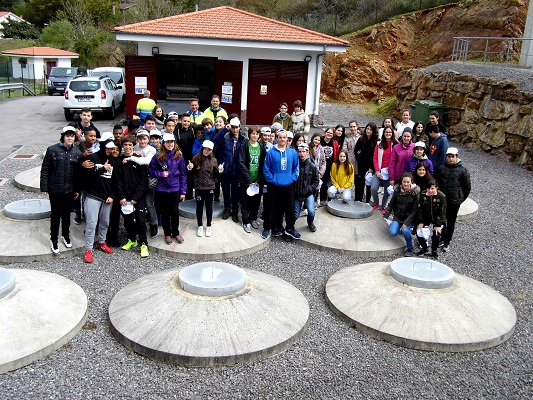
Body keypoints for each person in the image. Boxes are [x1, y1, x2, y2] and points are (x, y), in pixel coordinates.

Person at [40, 126, 82, 255]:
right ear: (63, 136)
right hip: (55, 189)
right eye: (67, 135)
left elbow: (78, 174)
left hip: (69, 190)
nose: (70, 138)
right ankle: (54, 239)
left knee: (66, 214)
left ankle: (65, 235)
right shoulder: (52, 150)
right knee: (55, 215)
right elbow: (45, 169)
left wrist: (77, 189)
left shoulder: (77, 152)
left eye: (72, 136)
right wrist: (44, 187)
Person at [82, 133, 117, 263]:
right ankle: (89, 249)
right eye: (107, 148)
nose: (110, 150)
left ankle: (102, 242)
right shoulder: (92, 158)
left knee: (105, 222)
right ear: (102, 145)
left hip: (107, 198)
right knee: (91, 223)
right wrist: (103, 169)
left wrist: (112, 196)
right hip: (93, 196)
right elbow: (86, 175)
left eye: (111, 148)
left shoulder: (113, 161)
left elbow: (116, 182)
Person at [148, 133, 187, 244]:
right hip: (162, 189)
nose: (170, 144)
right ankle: (167, 233)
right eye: (168, 142)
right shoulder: (157, 157)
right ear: (163, 143)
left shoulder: (179, 156)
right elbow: (150, 171)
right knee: (165, 212)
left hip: (175, 188)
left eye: (172, 142)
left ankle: (176, 232)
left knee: (174, 211)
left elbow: (183, 174)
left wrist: (183, 190)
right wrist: (160, 174)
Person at [116, 136, 149, 258]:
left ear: (133, 146)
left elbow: (143, 180)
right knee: (127, 221)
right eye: (125, 145)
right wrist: (121, 196)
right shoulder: (119, 161)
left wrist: (136, 197)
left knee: (140, 221)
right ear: (122, 146)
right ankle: (132, 239)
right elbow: (117, 180)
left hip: (137, 198)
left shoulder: (139, 160)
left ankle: (143, 243)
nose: (128, 147)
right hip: (125, 198)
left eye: (130, 145)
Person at [263, 129, 300, 239]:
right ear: (277, 138)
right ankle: (274, 227)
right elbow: (266, 169)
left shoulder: (293, 153)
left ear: (287, 139)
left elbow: (296, 169)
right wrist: (273, 179)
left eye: (285, 137)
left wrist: (291, 178)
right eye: (280, 137)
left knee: (289, 208)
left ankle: (290, 228)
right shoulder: (271, 153)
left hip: (288, 185)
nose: (282, 139)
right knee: (273, 208)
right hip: (274, 185)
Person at [436, 147, 471, 253]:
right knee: (442, 220)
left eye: (452, 157)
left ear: (457, 157)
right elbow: (437, 182)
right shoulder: (441, 168)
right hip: (442, 200)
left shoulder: (463, 171)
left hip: (454, 201)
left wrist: (460, 199)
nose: (450, 159)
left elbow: (467, 187)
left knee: (451, 221)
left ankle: (447, 241)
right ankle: (441, 238)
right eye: (449, 157)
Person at [212, 117, 246, 221]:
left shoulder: (243, 139)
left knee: (235, 191)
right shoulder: (225, 136)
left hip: (236, 170)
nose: (234, 129)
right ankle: (227, 209)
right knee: (226, 190)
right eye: (232, 127)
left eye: (236, 127)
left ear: (239, 127)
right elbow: (215, 141)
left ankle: (235, 211)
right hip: (226, 169)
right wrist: (224, 129)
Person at [187, 140, 223, 237]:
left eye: (209, 150)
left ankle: (209, 225)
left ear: (211, 151)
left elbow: (216, 176)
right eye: (205, 149)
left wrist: (220, 171)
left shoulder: (213, 160)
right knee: (199, 207)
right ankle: (199, 225)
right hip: (199, 187)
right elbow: (192, 174)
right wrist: (190, 168)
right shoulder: (195, 158)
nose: (206, 151)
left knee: (209, 207)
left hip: (210, 187)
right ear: (202, 148)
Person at [236, 125, 266, 233]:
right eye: (253, 133)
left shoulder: (261, 146)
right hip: (246, 180)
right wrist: (248, 179)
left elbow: (263, 164)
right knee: (245, 202)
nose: (255, 135)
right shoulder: (244, 145)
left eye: (257, 134)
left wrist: (259, 179)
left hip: (257, 180)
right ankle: (246, 221)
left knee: (256, 201)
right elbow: (241, 163)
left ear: (259, 135)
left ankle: (253, 218)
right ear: (249, 134)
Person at [383, 172, 420, 257]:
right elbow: (391, 204)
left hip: (410, 218)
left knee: (405, 230)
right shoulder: (397, 190)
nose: (406, 184)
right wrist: (386, 216)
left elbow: (415, 211)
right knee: (392, 232)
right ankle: (398, 227)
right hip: (398, 216)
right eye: (404, 182)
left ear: (411, 182)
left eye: (408, 182)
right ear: (401, 182)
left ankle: (410, 248)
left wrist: (406, 223)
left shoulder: (415, 192)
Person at [416, 179, 446, 259]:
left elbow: (442, 211)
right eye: (428, 188)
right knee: (419, 232)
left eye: (432, 188)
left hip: (438, 219)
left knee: (436, 235)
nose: (430, 190)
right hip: (426, 218)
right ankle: (424, 248)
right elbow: (420, 209)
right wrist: (421, 221)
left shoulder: (441, 196)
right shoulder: (423, 195)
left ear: (436, 188)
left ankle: (434, 251)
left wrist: (437, 225)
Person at [294, 143, 319, 232]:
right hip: (296, 194)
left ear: (307, 152)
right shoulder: (295, 165)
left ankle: (310, 222)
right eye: (300, 152)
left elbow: (316, 181)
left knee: (311, 211)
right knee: (295, 214)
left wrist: (310, 189)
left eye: (304, 151)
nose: (302, 154)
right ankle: (290, 226)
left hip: (308, 193)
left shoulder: (312, 166)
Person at [371, 126, 397, 213]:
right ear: (384, 133)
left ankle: (383, 206)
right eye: (386, 132)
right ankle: (376, 203)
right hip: (379, 170)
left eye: (390, 132)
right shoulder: (379, 144)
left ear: (392, 133)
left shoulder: (396, 144)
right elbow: (375, 158)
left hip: (389, 172)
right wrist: (377, 171)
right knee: (374, 188)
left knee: (386, 191)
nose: (388, 134)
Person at [354, 122, 378, 203]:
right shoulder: (361, 139)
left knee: (369, 185)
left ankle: (367, 201)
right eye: (367, 129)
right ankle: (358, 200)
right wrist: (359, 159)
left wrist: (372, 167)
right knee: (360, 184)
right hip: (361, 165)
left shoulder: (376, 141)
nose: (368, 131)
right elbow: (356, 150)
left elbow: (376, 155)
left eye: (371, 130)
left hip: (371, 166)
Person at [174, 114, 195, 200]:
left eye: (188, 121)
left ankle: (189, 197)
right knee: (180, 178)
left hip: (191, 158)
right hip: (180, 158)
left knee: (190, 179)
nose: (186, 123)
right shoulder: (177, 130)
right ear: (181, 121)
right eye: (185, 121)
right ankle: (179, 197)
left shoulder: (193, 130)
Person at [319, 127, 339, 205]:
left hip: (331, 166)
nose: (329, 134)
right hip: (322, 166)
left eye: (331, 133)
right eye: (328, 132)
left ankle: (330, 200)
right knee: (322, 183)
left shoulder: (334, 143)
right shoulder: (320, 141)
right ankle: (322, 200)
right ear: (325, 132)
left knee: (330, 183)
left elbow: (336, 154)